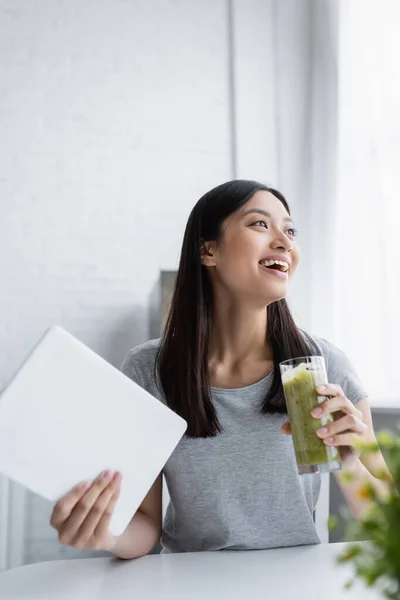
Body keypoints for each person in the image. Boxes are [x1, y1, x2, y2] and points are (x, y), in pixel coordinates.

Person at [50, 180, 391, 558]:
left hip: (295, 581)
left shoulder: (323, 366)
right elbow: (146, 524)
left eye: (290, 230)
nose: (284, 242)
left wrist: (351, 463)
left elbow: (389, 524)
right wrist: (105, 532)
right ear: (208, 251)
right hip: (189, 580)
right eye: (260, 224)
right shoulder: (149, 370)